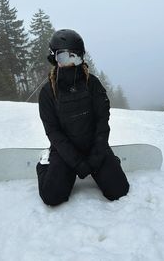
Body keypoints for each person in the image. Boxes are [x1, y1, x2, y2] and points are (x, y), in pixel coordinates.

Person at [36, 29, 129, 206]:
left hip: (93, 146)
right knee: (52, 196)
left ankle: (111, 162)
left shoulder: (93, 84)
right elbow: (53, 132)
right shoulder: (48, 92)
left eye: (75, 57)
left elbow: (102, 123)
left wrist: (95, 159)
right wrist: (77, 163)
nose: (71, 63)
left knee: (119, 190)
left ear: (81, 57)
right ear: (54, 58)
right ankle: (43, 165)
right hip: (65, 152)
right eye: (64, 57)